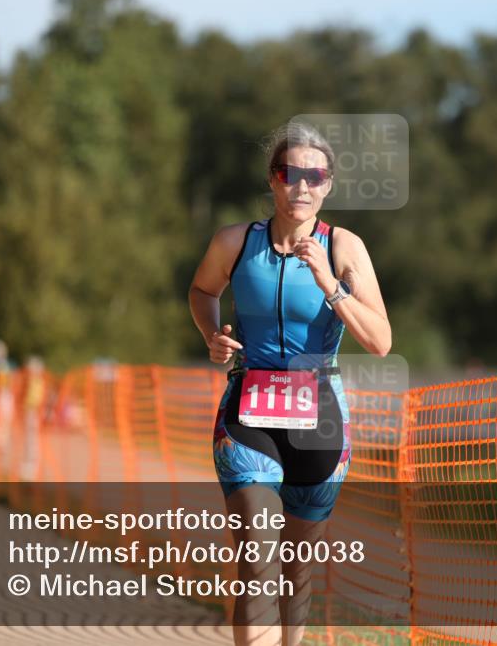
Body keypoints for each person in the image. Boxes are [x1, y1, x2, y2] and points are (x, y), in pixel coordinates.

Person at [189, 122, 391, 646]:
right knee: (257, 559)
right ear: (272, 180)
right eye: (289, 173)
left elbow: (381, 341)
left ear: (327, 185)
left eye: (314, 175)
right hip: (247, 418)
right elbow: (201, 290)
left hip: (320, 424)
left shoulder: (344, 247)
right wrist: (213, 335)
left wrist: (329, 283)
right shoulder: (235, 242)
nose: (301, 186)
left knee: (296, 574)